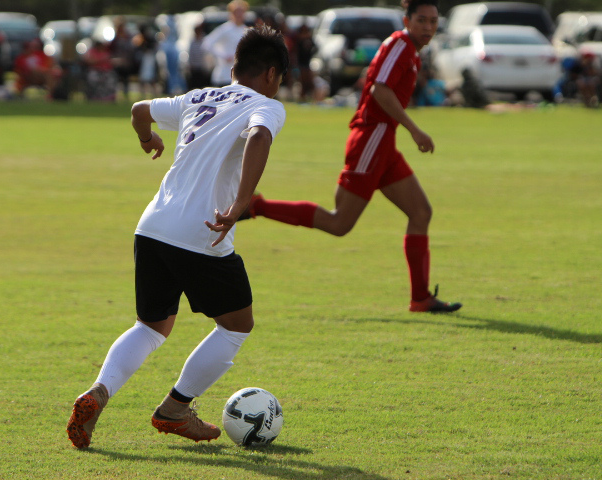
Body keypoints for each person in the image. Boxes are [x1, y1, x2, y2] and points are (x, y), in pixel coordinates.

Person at [66, 24, 289, 448]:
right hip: (201, 232)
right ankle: (174, 408)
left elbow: (139, 109)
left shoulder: (198, 96)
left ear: (234, 68)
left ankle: (99, 391)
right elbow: (259, 135)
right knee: (236, 326)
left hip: (152, 226)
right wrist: (240, 204)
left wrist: (147, 138)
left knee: (150, 327)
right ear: (272, 74)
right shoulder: (267, 105)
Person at [242, 0, 462, 314]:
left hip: (383, 142)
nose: (428, 27)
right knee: (339, 222)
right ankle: (256, 206)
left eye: (433, 21)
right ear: (406, 21)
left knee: (421, 212)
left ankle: (420, 298)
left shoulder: (409, 51)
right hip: (372, 139)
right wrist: (415, 130)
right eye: (422, 20)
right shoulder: (400, 45)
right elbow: (379, 91)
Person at [202, 0, 249, 87]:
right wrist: (223, 56)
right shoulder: (225, 29)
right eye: (236, 12)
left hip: (240, 77)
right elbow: (207, 43)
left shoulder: (246, 30)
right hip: (223, 76)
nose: (239, 14)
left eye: (241, 12)